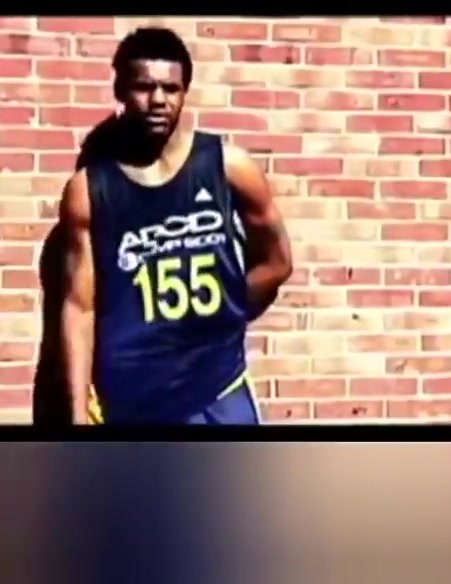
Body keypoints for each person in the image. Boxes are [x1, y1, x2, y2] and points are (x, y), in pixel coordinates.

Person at [59, 27, 293, 425]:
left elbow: (278, 263)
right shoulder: (89, 190)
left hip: (218, 388)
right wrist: (78, 414)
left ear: (184, 92)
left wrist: (225, 314)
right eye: (144, 87)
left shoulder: (229, 167)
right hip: (135, 398)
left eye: (171, 88)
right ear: (120, 90)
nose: (158, 100)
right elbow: (79, 307)